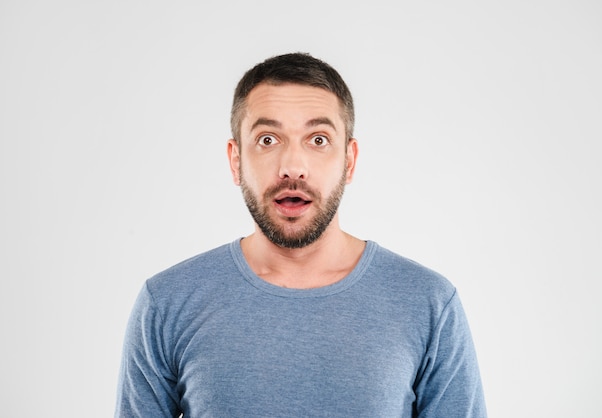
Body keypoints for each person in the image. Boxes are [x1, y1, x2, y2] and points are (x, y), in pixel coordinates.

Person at [115, 52, 487, 417]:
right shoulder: (166, 304)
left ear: (349, 160)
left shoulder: (429, 304)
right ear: (235, 160)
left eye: (318, 139)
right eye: (267, 140)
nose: (293, 167)